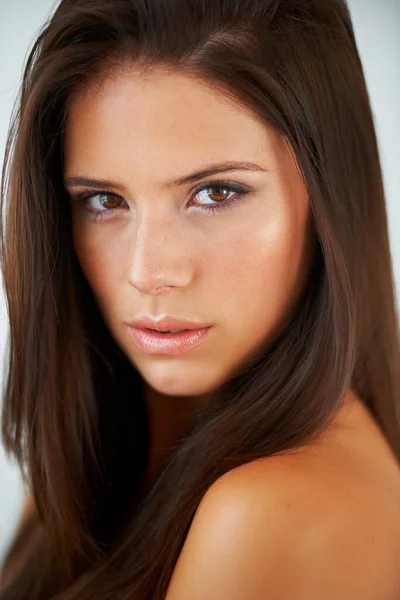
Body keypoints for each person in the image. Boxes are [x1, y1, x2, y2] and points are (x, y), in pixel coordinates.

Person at [0, 0, 400, 598]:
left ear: (327, 199)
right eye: (104, 200)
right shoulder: (108, 451)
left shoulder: (270, 512)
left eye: (216, 192)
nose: (149, 272)